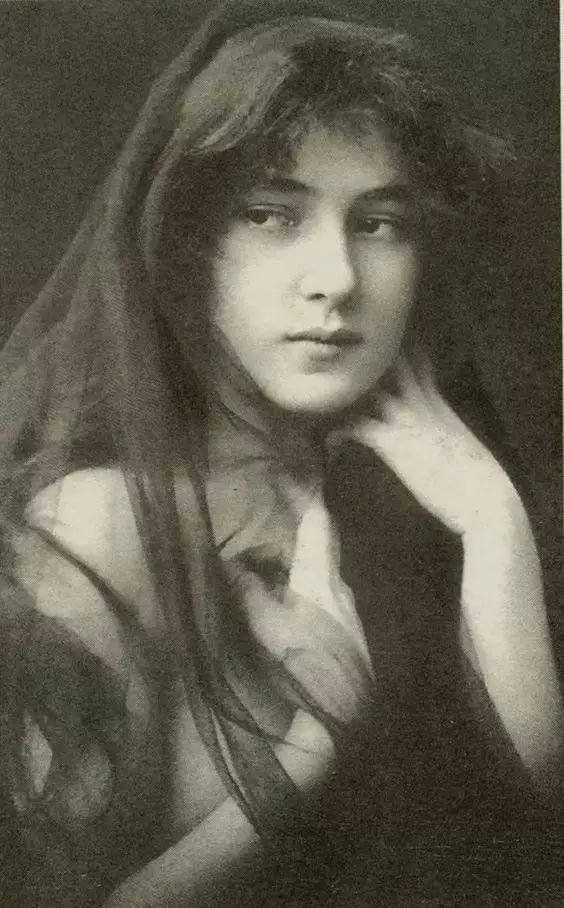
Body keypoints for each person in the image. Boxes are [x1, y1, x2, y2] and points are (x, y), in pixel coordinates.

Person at [0, 1, 562, 905]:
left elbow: (539, 830)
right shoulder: (106, 522)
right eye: (270, 215)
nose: (336, 279)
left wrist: (494, 521)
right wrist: (310, 753)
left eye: (379, 223)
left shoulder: (424, 494)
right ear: (190, 249)